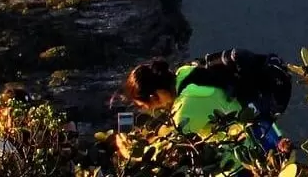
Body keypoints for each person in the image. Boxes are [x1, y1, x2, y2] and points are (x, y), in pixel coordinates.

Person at [118, 55, 290, 156]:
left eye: (146, 104)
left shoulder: (187, 105)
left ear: (153, 96)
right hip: (271, 138)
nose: (150, 109)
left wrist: (132, 154)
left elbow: (168, 149)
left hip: (249, 160)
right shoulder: (188, 73)